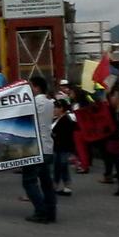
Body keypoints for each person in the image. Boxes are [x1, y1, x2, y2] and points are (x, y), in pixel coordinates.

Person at [23, 77, 57, 223]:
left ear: (36, 88)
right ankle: (51, 211)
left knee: (29, 181)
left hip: (35, 148)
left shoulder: (34, 103)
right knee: (46, 182)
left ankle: (40, 210)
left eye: (30, 86)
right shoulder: (50, 103)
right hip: (48, 147)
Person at [51, 97, 75, 196]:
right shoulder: (56, 119)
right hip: (57, 147)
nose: (54, 110)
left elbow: (65, 135)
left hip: (63, 147)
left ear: (61, 108)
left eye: (56, 107)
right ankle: (57, 185)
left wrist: (54, 135)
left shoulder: (66, 119)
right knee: (57, 166)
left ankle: (66, 186)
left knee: (62, 166)